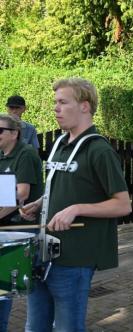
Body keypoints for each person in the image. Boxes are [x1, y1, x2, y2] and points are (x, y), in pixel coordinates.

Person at [20, 78, 132, 331]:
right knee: (34, 325)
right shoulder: (61, 143)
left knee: (67, 327)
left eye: (62, 102)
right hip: (43, 252)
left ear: (84, 106)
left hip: (75, 259)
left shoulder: (99, 150)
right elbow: (63, 186)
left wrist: (77, 208)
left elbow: (123, 205)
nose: (55, 108)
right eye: (55, 102)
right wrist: (40, 203)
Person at [0, 114, 43, 332]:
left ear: (14, 133)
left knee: (10, 282)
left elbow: (21, 194)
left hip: (21, 227)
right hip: (5, 226)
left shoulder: (24, 153)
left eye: (0, 130)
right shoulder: (1, 154)